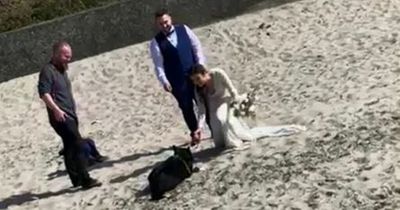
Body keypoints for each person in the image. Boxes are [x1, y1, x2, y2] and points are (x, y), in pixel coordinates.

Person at [189, 64, 306, 149]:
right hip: (214, 108)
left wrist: (237, 105)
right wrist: (199, 127)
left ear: (205, 73)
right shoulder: (198, 89)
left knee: (222, 119)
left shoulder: (217, 74)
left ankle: (235, 138)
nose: (197, 83)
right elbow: (202, 110)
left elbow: (232, 90)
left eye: (198, 78)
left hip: (227, 102)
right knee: (219, 142)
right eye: (194, 81)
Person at [37, 41, 102, 189]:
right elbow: (44, 94)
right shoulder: (47, 71)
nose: (69, 59)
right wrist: (56, 110)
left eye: (70, 56)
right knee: (78, 145)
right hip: (60, 117)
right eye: (66, 56)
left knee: (69, 147)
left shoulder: (62, 70)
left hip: (70, 115)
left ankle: (76, 180)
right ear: (57, 54)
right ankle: (85, 179)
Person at [149, 8, 207, 144]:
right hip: (176, 79)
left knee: (203, 101)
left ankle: (212, 127)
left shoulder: (184, 29)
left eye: (166, 22)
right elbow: (158, 65)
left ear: (170, 19)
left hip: (194, 74)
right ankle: (195, 132)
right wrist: (164, 81)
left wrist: (200, 65)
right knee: (186, 106)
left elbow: (196, 47)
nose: (164, 25)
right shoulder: (156, 42)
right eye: (161, 24)